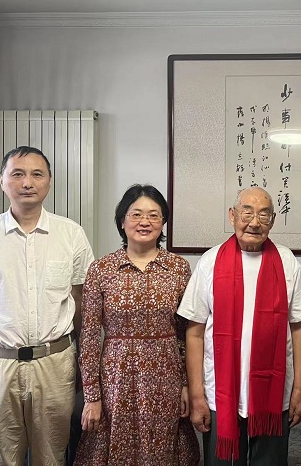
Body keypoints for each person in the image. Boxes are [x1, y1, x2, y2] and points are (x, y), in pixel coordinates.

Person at [0, 146, 94, 466]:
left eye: (36, 174)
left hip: (54, 364)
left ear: (49, 181)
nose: (27, 182)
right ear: (2, 181)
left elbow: (83, 303)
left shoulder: (71, 234)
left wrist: (86, 367)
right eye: (17, 174)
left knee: (52, 458)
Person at [178, 187, 301, 465]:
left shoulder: (287, 262)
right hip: (219, 393)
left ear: (272, 220)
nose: (254, 222)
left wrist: (300, 390)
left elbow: (299, 328)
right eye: (247, 213)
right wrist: (197, 394)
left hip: (275, 393)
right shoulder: (210, 261)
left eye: (264, 215)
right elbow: (195, 333)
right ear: (232, 216)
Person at [74, 184, 199, 466]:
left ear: (163, 222)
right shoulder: (101, 269)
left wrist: (186, 385)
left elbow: (185, 334)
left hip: (166, 378)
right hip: (116, 379)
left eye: (154, 215)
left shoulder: (179, 268)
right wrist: (92, 396)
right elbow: (90, 336)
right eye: (136, 214)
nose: (145, 222)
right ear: (122, 221)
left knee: (163, 447)